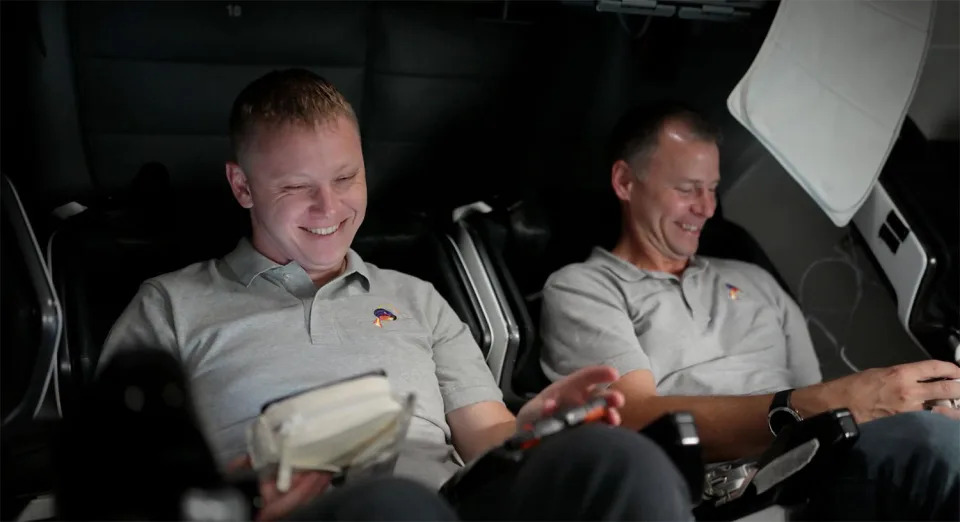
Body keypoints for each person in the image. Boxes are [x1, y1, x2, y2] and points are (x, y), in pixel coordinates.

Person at [98, 69, 694, 521]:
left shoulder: (418, 298)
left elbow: (488, 441)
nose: (329, 209)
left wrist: (531, 425)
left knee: (627, 460)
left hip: (455, 505)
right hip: (297, 514)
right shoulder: (171, 306)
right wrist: (237, 493)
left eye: (345, 178)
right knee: (394, 508)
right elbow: (115, 482)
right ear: (243, 186)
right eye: (296, 187)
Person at [539, 103, 960, 520]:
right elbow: (631, 416)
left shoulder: (753, 278)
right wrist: (837, 402)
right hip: (733, 493)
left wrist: (901, 409)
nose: (706, 207)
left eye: (712, 188)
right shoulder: (583, 288)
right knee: (931, 444)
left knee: (938, 431)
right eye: (687, 189)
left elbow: (814, 397)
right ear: (625, 182)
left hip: (818, 459)